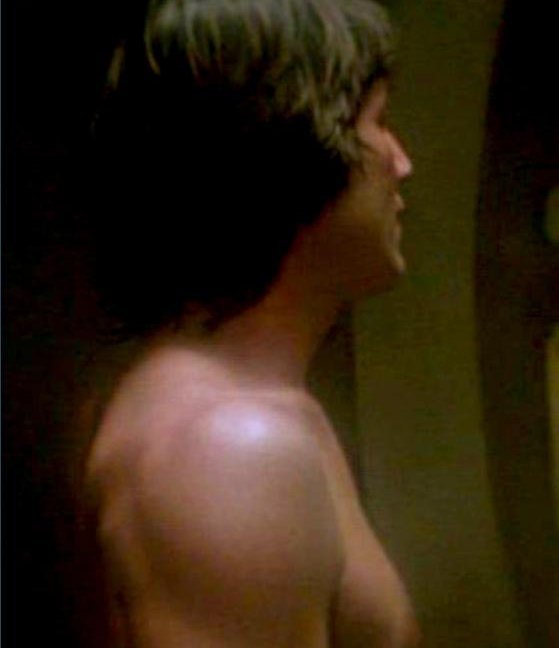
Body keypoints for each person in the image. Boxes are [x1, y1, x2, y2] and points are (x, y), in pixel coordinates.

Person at [81, 0, 419, 645]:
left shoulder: (247, 406)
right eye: (379, 124)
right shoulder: (228, 449)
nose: (401, 163)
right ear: (298, 145)